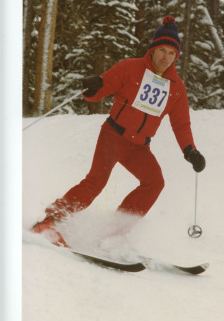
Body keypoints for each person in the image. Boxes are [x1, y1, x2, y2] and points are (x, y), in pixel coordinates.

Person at [33, 15, 206, 246]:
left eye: (172, 53)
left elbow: (181, 124)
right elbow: (101, 88)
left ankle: (114, 233)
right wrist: (92, 87)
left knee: (154, 182)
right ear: (152, 49)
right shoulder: (130, 68)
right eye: (162, 50)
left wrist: (190, 150)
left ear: (177, 56)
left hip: (139, 147)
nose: (166, 57)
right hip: (113, 137)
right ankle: (50, 221)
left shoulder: (176, 88)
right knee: (96, 182)